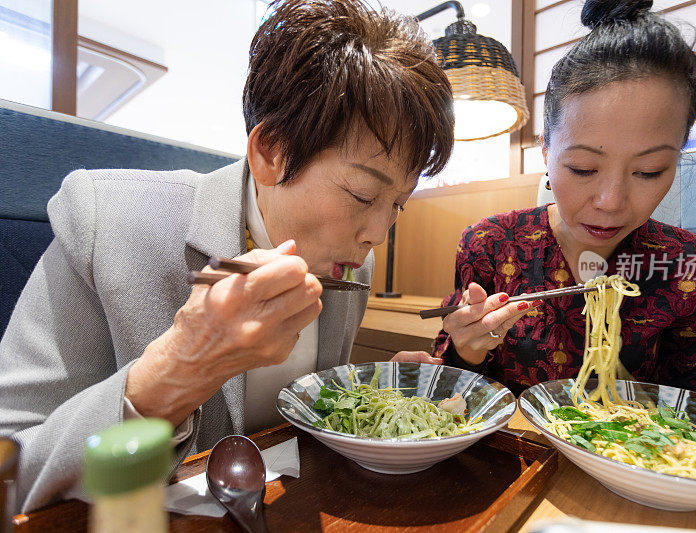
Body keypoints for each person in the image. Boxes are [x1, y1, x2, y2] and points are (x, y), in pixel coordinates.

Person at [0, 0, 453, 512]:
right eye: (363, 195)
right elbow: (10, 469)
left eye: (398, 204)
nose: (378, 233)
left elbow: (297, 421)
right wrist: (178, 370)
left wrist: (375, 395)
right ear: (271, 152)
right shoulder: (106, 219)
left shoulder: (353, 267)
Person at [433, 0, 696, 428]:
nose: (611, 201)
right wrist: (466, 351)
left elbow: (691, 403)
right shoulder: (491, 245)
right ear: (546, 149)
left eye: (648, 171)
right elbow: (450, 397)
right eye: (584, 168)